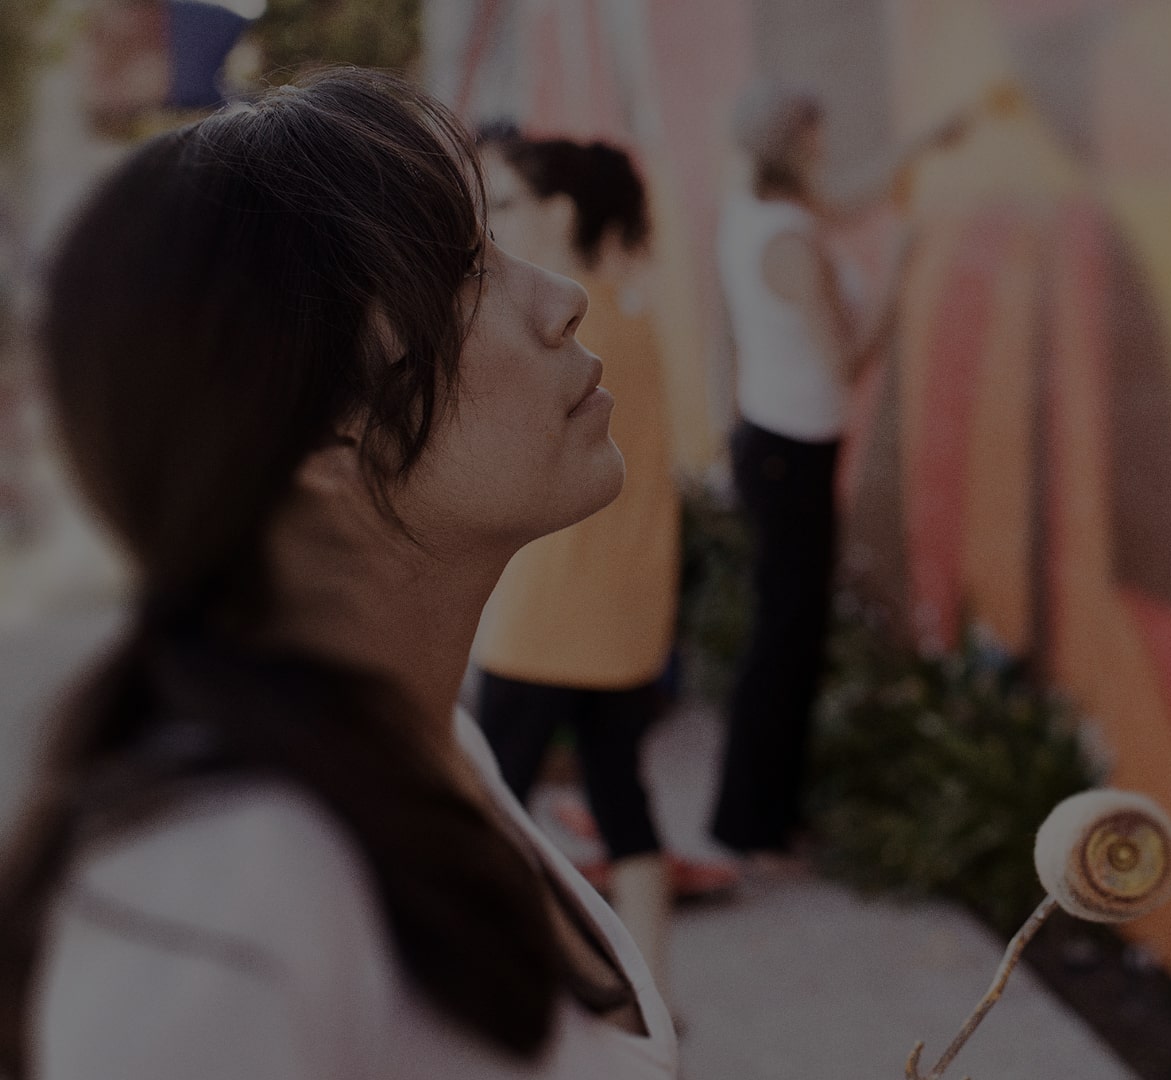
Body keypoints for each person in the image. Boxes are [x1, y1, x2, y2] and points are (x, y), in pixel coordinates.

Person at [0, 70, 675, 1078]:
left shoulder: (436, 743)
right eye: (462, 274)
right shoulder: (220, 889)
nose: (561, 300)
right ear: (319, 432)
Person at [469, 127, 737, 997]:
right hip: (625, 613)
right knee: (624, 802)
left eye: (508, 204)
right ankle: (647, 993)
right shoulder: (637, 320)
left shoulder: (554, 333)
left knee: (487, 809)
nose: (494, 223)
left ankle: (502, 994)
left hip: (544, 614)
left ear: (559, 212)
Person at [711, 79, 967, 858]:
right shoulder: (792, 245)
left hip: (783, 446)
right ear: (798, 147)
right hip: (789, 456)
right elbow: (847, 361)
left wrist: (927, 141)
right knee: (785, 637)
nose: (829, 149)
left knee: (791, 631)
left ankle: (765, 815)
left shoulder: (767, 210)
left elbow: (851, 198)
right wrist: (903, 268)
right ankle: (751, 823)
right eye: (819, 138)